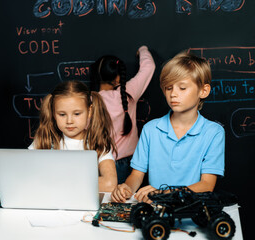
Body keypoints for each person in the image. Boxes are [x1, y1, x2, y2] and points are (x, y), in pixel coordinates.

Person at [111, 51, 225, 203]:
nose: (173, 94)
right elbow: (137, 175)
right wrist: (126, 188)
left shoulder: (214, 132)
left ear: (203, 91)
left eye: (182, 88)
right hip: (155, 212)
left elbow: (206, 185)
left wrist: (164, 193)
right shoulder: (151, 129)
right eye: (169, 88)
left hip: (190, 213)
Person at [29, 80, 117, 192]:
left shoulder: (98, 143)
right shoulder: (44, 140)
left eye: (77, 114)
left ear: (89, 111)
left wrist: (56, 181)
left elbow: (110, 184)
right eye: (62, 114)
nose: (69, 121)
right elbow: (25, 174)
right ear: (53, 113)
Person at [90, 46, 155, 184]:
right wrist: (143, 49)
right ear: (117, 78)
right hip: (131, 163)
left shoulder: (90, 100)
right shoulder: (128, 93)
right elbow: (149, 67)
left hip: (101, 163)